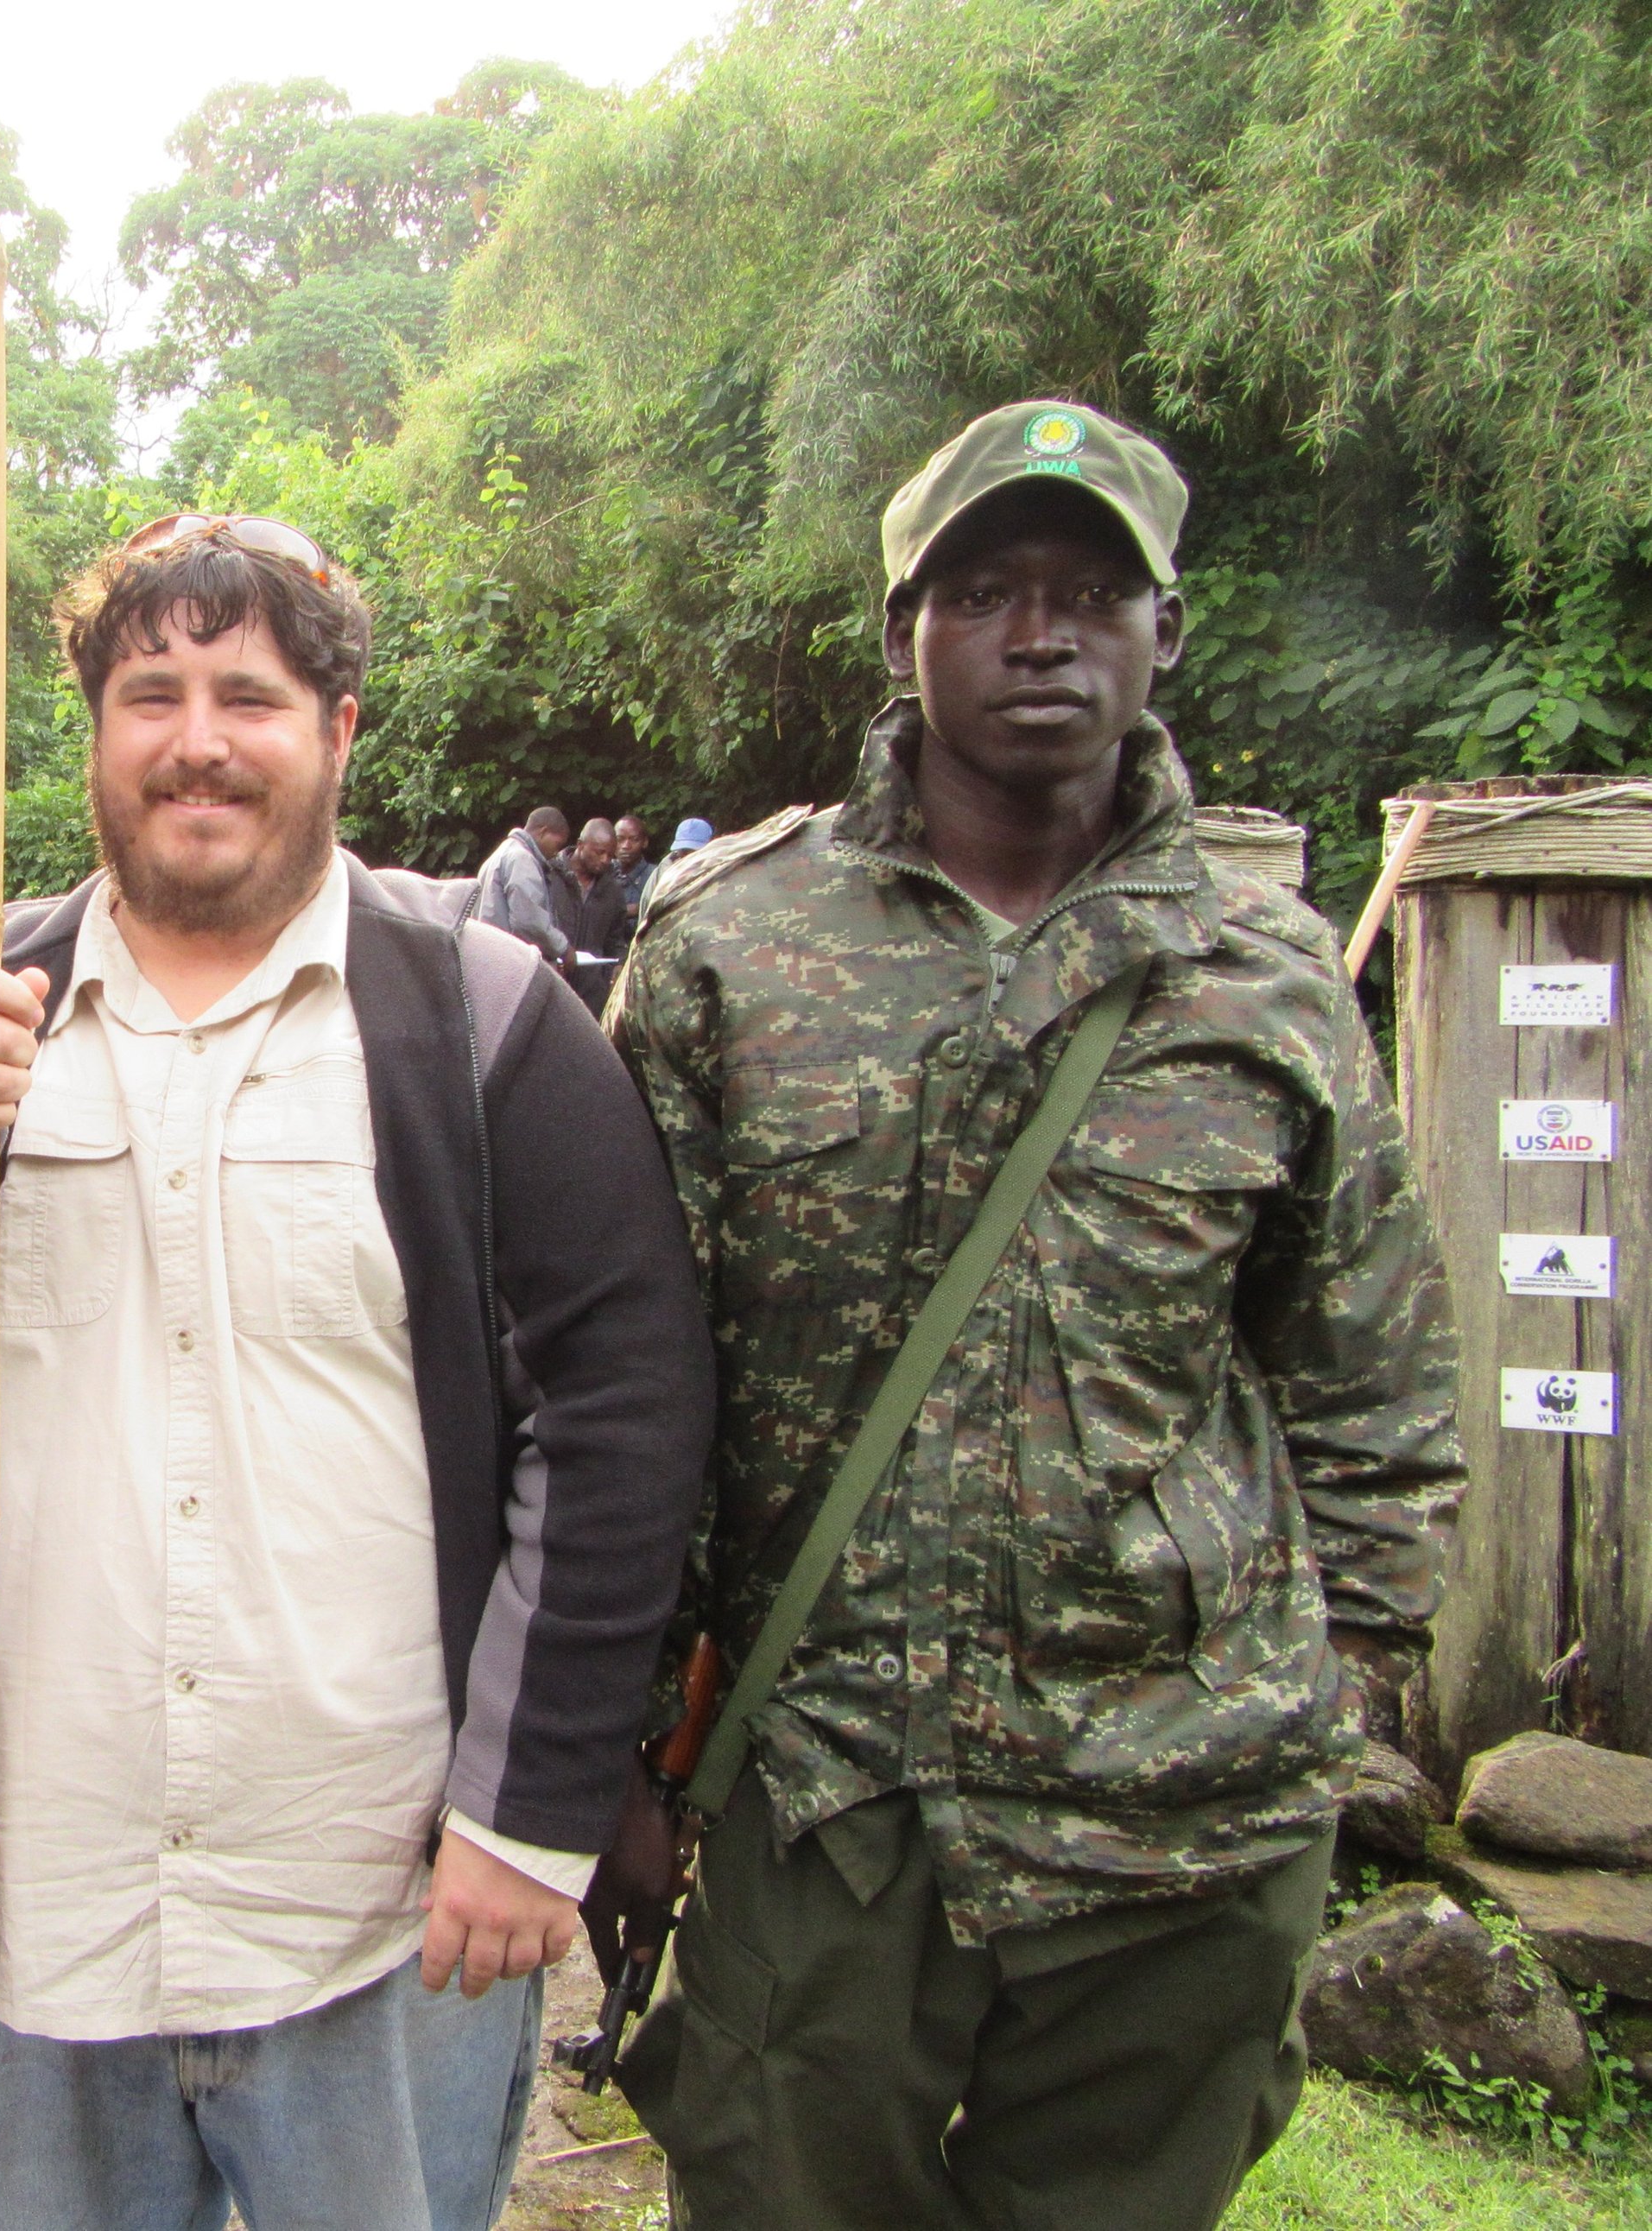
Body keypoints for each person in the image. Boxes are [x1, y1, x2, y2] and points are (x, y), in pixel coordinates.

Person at [0, 514, 714, 2231]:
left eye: (247, 697)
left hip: (379, 1906)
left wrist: (531, 1804)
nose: (197, 740)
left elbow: (623, 1408)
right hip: (50, 1900)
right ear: (94, 733)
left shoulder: (479, 1021)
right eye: (151, 693)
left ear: (337, 731)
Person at [599, 398, 1464, 2230]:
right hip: (828, 1794)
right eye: (984, 592)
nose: (1041, 637)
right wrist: (617, 1746)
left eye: (1090, 594)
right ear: (900, 631)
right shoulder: (728, 950)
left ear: (1165, 632)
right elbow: (626, 1385)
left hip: (1185, 1815)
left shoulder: (1265, 980)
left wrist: (1337, 1701)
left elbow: (1370, 1384)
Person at [472, 803, 573, 963]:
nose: (557, 852)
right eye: (558, 844)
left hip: (486, 955)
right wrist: (564, 949)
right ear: (543, 832)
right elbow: (528, 921)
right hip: (505, 961)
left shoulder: (500, 853)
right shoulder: (522, 859)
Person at [560, 817, 632, 1015]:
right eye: (600, 852)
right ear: (580, 845)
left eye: (610, 855)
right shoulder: (552, 877)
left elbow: (616, 939)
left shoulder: (613, 891)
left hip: (592, 995)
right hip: (553, 983)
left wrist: (619, 964)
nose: (605, 860)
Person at [611, 815, 656, 917]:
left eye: (634, 840)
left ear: (645, 842)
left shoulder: (656, 876)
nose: (626, 846)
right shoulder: (601, 874)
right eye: (619, 839)